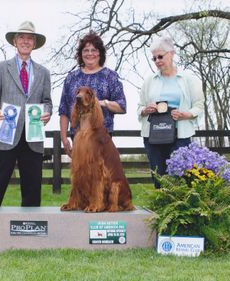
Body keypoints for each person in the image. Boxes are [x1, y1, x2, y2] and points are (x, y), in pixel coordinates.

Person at [0, 21, 52, 208]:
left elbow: (47, 102)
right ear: (15, 41)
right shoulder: (1, 68)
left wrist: (47, 113)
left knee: (32, 189)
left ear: (34, 43)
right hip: (5, 135)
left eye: (30, 38)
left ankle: (30, 230)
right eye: (22, 37)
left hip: (33, 138)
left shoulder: (44, 73)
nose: (25, 41)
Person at [137, 36, 204, 188]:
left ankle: (180, 210)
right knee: (159, 177)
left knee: (180, 178)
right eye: (154, 58)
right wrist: (145, 110)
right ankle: (162, 210)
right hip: (153, 135)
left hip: (180, 134)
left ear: (172, 53)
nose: (157, 61)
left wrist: (185, 114)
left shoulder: (189, 79)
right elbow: (139, 107)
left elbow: (199, 105)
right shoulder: (149, 81)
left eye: (160, 56)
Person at [58, 31, 126, 157]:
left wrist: (102, 103)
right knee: (80, 175)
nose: (90, 53)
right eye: (86, 50)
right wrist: (64, 138)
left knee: (101, 175)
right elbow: (64, 110)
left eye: (94, 50)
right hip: (78, 136)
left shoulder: (110, 77)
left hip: (102, 137)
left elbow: (122, 106)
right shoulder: (71, 78)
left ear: (100, 53)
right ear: (81, 54)